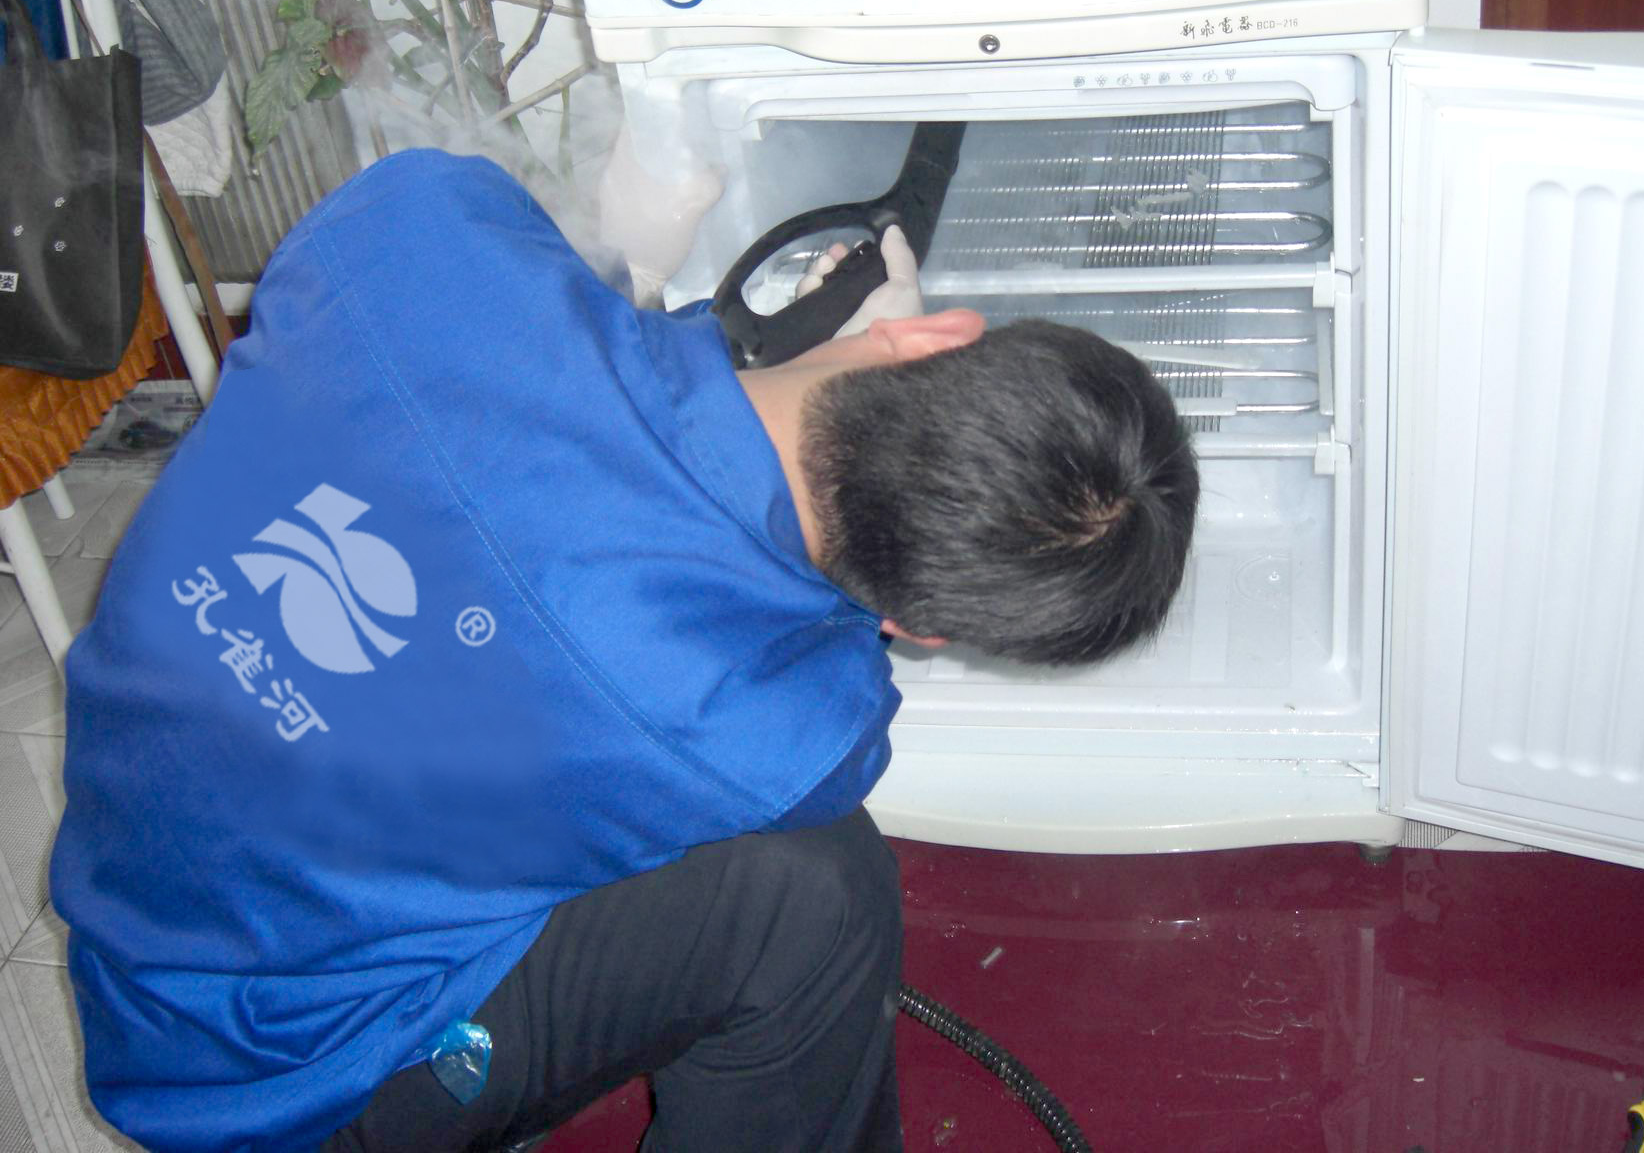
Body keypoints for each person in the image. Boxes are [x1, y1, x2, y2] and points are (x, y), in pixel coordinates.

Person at [50, 144, 1199, 1152]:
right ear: (925, 625)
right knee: (813, 898)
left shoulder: (417, 236)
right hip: (292, 1089)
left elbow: (540, 388)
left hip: (132, 899)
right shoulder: (782, 732)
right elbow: (785, 677)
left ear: (931, 333)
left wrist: (630, 265)